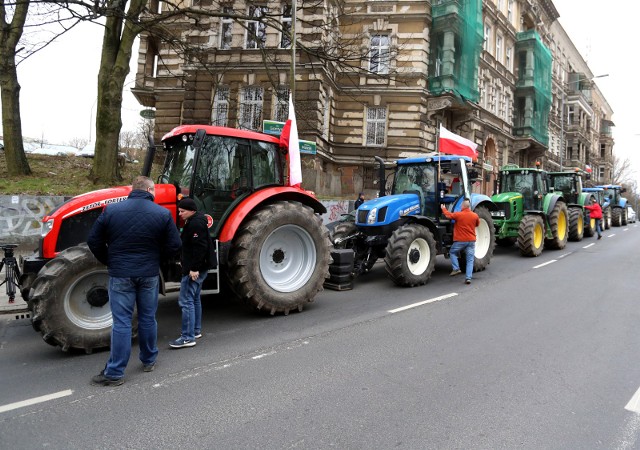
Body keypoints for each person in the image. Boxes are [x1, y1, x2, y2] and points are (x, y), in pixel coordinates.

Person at [87, 176, 182, 386]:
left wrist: (110, 260)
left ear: (134, 190)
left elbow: (93, 240)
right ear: (149, 190)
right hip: (149, 274)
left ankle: (115, 372)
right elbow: (175, 245)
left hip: (120, 274)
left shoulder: (112, 210)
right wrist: (156, 259)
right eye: (155, 191)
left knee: (122, 322)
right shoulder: (162, 213)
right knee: (148, 317)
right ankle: (149, 360)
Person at [170, 197, 210, 349]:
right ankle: (195, 330)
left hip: (194, 268)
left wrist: (194, 268)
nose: (179, 214)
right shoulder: (196, 220)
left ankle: (187, 337)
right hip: (199, 266)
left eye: (182, 211)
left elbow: (199, 248)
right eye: (179, 211)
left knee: (186, 300)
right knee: (194, 299)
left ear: (191, 211)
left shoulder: (195, 224)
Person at [440, 199, 479, 285]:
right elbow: (477, 224)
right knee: (470, 260)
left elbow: (448, 215)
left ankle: (456, 268)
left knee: (452, 252)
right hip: (471, 241)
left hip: (460, 241)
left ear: (463, 206)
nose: (460, 206)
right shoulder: (475, 215)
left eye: (461, 205)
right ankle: (468, 278)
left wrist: (443, 208)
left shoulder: (458, 215)